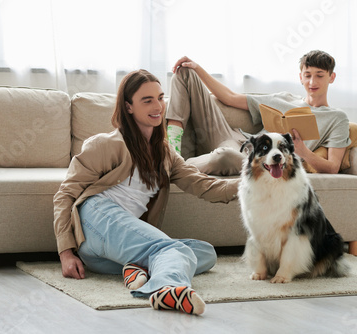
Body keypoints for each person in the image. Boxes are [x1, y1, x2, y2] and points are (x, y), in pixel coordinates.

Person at [53, 69, 239, 316]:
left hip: (116, 253)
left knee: (206, 253)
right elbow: (65, 194)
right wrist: (66, 253)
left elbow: (205, 186)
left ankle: (136, 270)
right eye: (147, 100)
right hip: (96, 221)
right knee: (174, 251)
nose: (158, 106)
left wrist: (254, 184)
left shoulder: (166, 154)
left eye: (161, 98)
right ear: (129, 107)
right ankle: (167, 289)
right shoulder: (106, 145)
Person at [166, 50, 350, 176]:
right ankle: (171, 153)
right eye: (308, 75)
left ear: (331, 77)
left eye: (319, 75)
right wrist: (197, 68)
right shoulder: (283, 99)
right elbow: (230, 97)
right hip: (235, 139)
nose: (312, 82)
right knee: (185, 72)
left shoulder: (337, 118)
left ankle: (171, 167)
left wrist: (303, 151)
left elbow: (333, 167)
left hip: (255, 160)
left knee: (223, 156)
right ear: (300, 77)